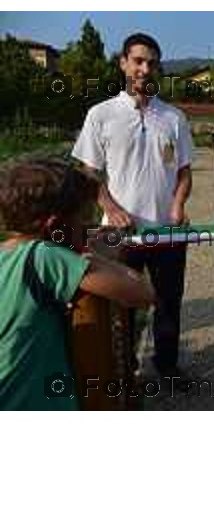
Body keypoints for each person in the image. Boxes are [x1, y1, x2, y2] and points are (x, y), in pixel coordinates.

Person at [71, 32, 194, 379]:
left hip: (167, 232)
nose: (144, 69)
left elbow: (184, 172)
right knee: (120, 306)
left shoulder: (174, 118)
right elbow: (89, 173)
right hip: (120, 234)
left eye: (152, 63)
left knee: (168, 303)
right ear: (123, 63)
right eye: (138, 61)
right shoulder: (101, 114)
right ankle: (125, 370)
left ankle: (167, 367)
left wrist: (178, 203)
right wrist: (112, 206)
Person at [0, 158, 155, 410]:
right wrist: (95, 255)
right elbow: (142, 292)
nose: (87, 226)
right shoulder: (44, 257)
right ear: (54, 226)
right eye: (82, 220)